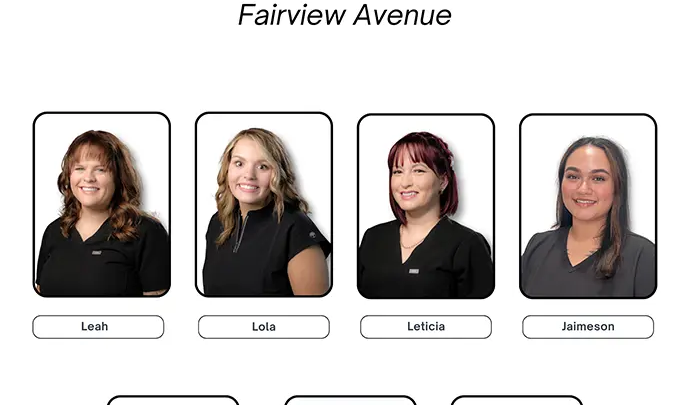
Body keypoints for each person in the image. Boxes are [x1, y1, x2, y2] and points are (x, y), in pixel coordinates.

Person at [357, 131, 494, 298]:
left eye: (419, 171)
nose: (405, 182)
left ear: (443, 182)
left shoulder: (468, 244)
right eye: (397, 172)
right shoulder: (373, 237)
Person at [35, 129, 170, 296]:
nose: (88, 178)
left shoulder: (146, 232)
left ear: (118, 177)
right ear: (69, 176)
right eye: (79, 168)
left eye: (100, 169)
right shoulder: (54, 231)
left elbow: (157, 312)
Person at [202, 127, 331, 296]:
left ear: (278, 173)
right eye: (239, 163)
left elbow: (313, 316)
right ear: (227, 168)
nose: (249, 175)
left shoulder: (296, 229)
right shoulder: (217, 222)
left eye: (263, 166)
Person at [521, 136, 656, 297]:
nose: (583, 189)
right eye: (573, 176)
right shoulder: (538, 246)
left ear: (617, 187)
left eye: (598, 178)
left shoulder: (644, 256)